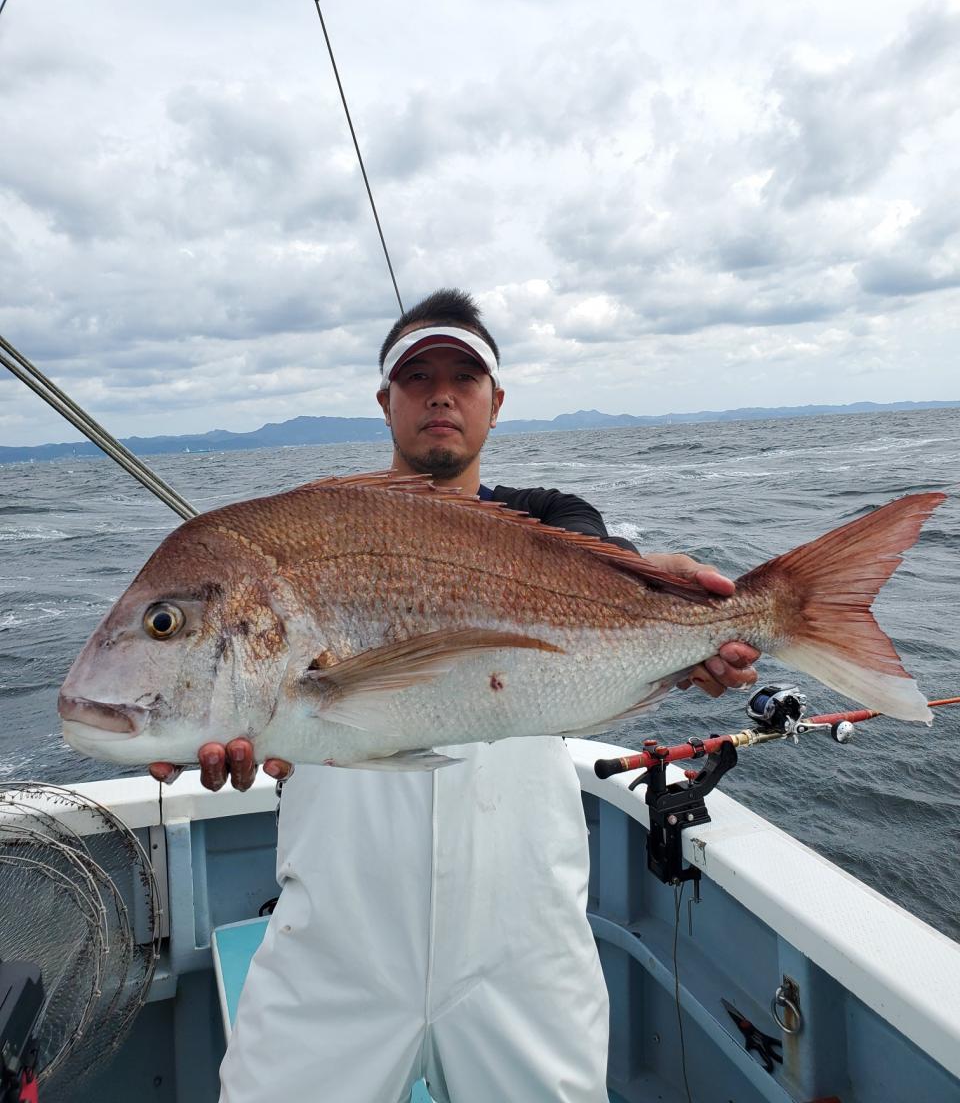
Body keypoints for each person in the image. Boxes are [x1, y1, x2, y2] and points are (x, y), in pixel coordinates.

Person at [151, 288, 759, 1103]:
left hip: (524, 944)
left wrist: (680, 622)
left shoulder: (549, 521)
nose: (441, 395)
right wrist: (192, 714)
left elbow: (599, 565)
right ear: (385, 401)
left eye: (463, 378)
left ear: (496, 402)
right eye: (417, 377)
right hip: (334, 944)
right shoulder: (316, 535)